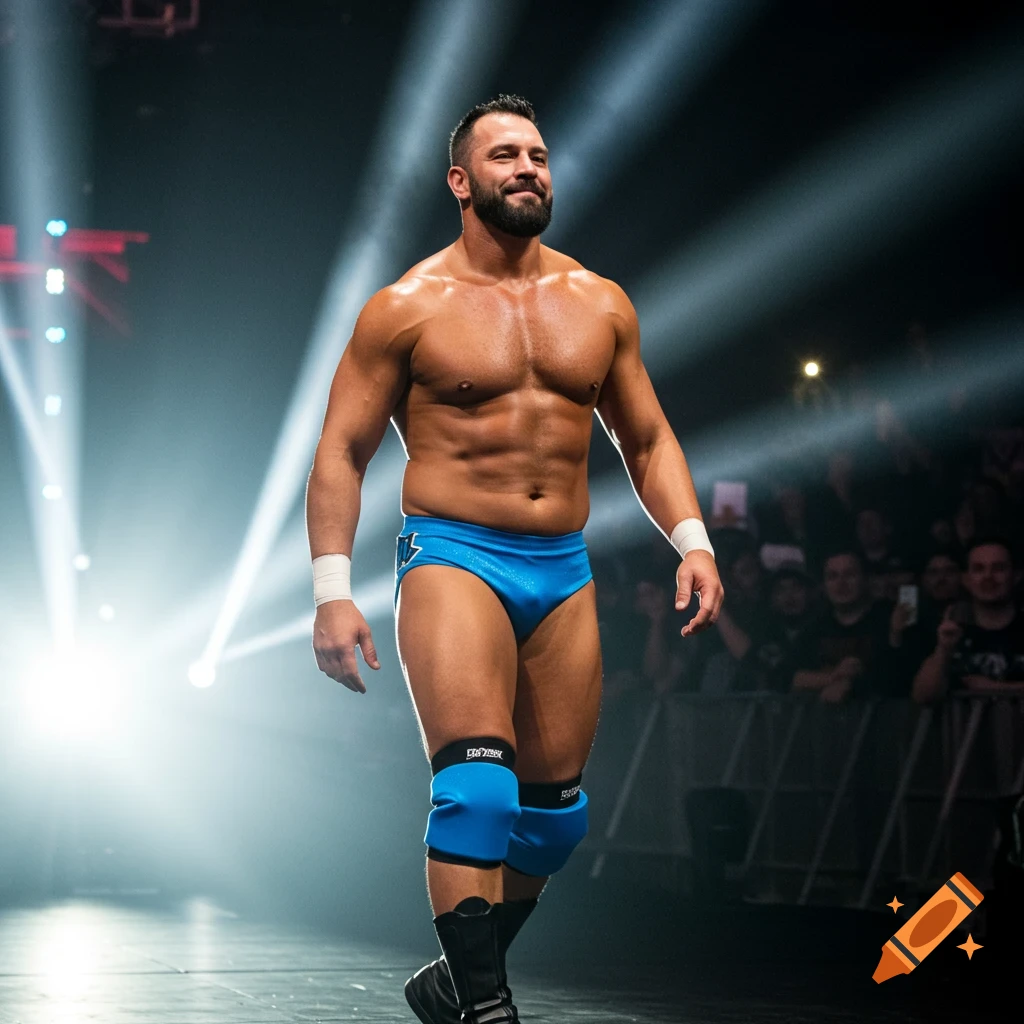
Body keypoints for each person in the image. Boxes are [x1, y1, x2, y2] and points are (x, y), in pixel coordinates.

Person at [304, 94, 724, 1024]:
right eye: (504, 156)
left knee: (554, 816)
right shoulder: (408, 307)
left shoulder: (598, 302)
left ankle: (454, 981)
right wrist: (332, 591)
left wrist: (692, 540)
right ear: (461, 181)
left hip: (562, 567)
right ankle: (490, 1010)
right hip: (456, 554)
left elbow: (646, 440)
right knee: (476, 794)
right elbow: (341, 450)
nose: (529, 168)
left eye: (538, 154)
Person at [912, 539, 1024, 702]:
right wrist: (944, 649)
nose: (988, 577)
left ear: (1016, 576)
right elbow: (923, 697)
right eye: (979, 569)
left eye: (998, 568)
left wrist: (994, 688)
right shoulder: (945, 628)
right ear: (966, 579)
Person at [789, 550, 897, 701]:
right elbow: (785, 677)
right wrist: (834, 678)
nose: (841, 583)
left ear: (865, 579)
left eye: (850, 574)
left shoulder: (889, 618)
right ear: (824, 586)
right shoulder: (814, 628)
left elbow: (900, 673)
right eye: (832, 576)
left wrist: (853, 684)